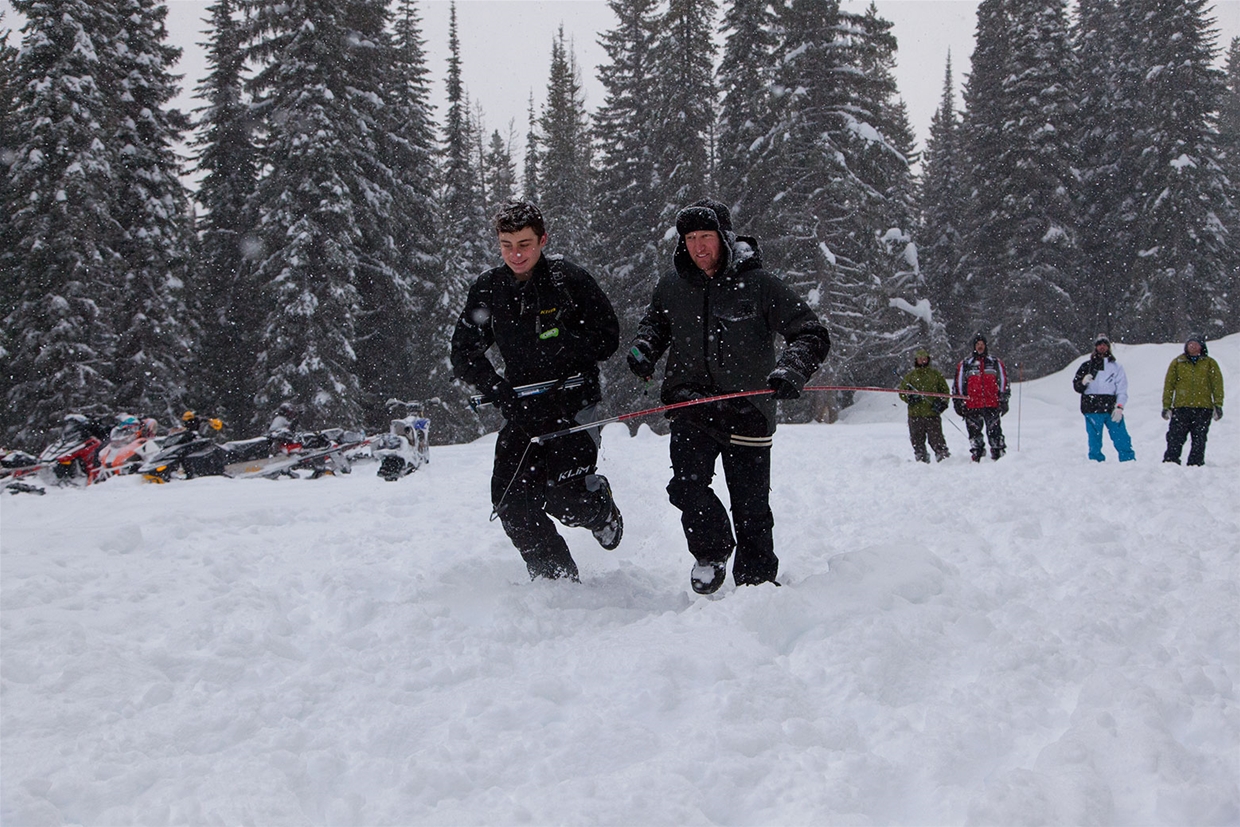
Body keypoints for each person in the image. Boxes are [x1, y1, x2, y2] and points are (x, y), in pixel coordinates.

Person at [627, 198, 830, 595]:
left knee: (751, 506)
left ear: (725, 237)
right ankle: (712, 550)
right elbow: (655, 326)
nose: (698, 247)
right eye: (690, 238)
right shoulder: (672, 285)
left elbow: (810, 332)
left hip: (747, 409)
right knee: (686, 488)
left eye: (706, 236)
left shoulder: (759, 285)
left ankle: (756, 582)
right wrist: (644, 348)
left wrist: (792, 368)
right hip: (692, 405)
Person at [450, 200, 623, 582]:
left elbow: (608, 337)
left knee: (566, 499)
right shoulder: (489, 288)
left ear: (542, 240)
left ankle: (599, 508)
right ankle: (554, 579)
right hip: (522, 408)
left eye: (524, 244)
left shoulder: (568, 280)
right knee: (511, 500)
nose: (516, 254)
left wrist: (568, 344)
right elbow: (463, 352)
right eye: (507, 245)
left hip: (572, 403)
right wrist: (496, 387)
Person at [1161, 334, 1224, 466]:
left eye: (1195, 344)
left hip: (1203, 408)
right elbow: (1169, 385)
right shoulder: (1177, 362)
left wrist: (1218, 405)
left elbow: (1217, 385)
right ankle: (1171, 462)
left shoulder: (1210, 363)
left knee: (1199, 439)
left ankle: (1195, 464)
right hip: (1181, 407)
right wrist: (1166, 406)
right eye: (1190, 343)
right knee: (1175, 437)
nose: (1192, 346)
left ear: (1201, 346)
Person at [1072, 334, 1135, 462]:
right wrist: (1083, 382)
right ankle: (1096, 464)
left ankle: (1128, 462)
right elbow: (1076, 386)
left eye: (1105, 344)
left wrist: (1120, 407)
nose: (1102, 347)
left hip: (1111, 408)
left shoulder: (1116, 367)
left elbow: (1122, 389)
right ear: (1095, 347)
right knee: (1094, 440)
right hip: (1091, 407)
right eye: (1099, 344)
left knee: (1121, 437)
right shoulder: (1086, 366)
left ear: (1108, 347)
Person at [952, 333, 1010, 462]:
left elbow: (1003, 381)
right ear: (974, 346)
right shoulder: (965, 364)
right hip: (972, 404)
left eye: (982, 344)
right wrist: (958, 401)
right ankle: (977, 451)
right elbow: (958, 384)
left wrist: (1004, 399)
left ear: (986, 346)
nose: (980, 347)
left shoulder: (995, 362)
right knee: (974, 431)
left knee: (995, 430)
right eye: (977, 344)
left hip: (992, 403)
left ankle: (998, 451)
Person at [898, 349, 951, 463]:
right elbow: (902, 392)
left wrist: (943, 403)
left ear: (928, 359)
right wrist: (910, 398)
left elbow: (945, 391)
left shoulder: (935, 375)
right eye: (920, 359)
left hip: (932, 414)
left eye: (924, 359)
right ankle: (921, 459)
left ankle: (943, 458)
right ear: (916, 360)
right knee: (917, 440)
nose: (922, 361)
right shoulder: (910, 376)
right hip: (915, 415)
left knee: (937, 439)